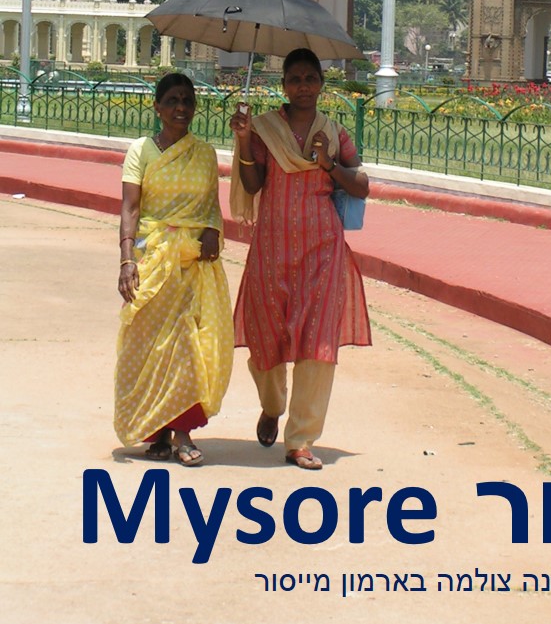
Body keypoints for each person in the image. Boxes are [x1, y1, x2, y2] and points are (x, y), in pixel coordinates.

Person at [229, 48, 371, 469]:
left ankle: (302, 439)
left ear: (321, 85)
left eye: (311, 78)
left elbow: (361, 185)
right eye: (295, 79)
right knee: (266, 333)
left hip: (322, 249)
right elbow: (252, 184)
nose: (303, 86)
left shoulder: (335, 132)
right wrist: (242, 140)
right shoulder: (264, 128)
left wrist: (328, 164)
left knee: (317, 341)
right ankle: (272, 404)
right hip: (272, 248)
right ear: (284, 85)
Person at [115, 73, 233, 466]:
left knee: (187, 344)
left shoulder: (204, 153)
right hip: (152, 259)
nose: (181, 107)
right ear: (158, 107)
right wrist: (126, 259)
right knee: (151, 345)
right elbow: (131, 208)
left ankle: (182, 432)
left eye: (187, 100)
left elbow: (211, 205)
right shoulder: (141, 151)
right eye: (173, 100)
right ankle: (159, 431)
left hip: (193, 263)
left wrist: (214, 231)